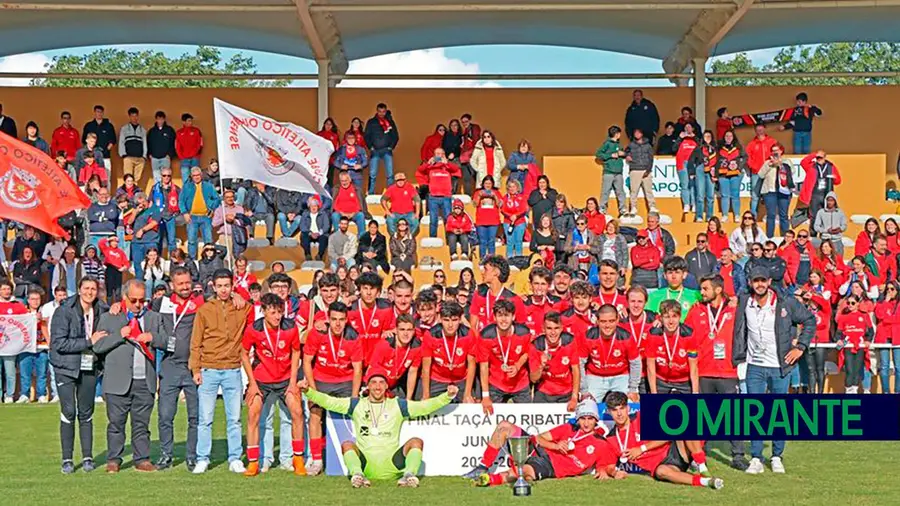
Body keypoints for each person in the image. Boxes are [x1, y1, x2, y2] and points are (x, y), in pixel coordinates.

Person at [301, 367, 454, 488]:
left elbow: (425, 407)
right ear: (368, 386)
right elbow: (329, 402)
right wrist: (308, 391)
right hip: (365, 464)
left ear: (387, 386)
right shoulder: (356, 404)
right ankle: (358, 476)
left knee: (416, 442)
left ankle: (408, 476)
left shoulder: (398, 405)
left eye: (381, 383)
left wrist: (447, 396)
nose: (377, 387)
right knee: (347, 444)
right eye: (373, 382)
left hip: (392, 464)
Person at [733, 267, 815, 474]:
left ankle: (777, 455)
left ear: (769, 281)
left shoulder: (785, 302)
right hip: (754, 366)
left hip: (780, 365)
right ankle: (756, 458)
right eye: (755, 281)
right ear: (750, 282)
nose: (759, 284)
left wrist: (801, 347)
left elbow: (809, 320)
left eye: (763, 280)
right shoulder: (744, 301)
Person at [92, 279, 163, 473]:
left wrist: (153, 338)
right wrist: (119, 335)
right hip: (117, 381)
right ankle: (114, 459)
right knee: (116, 423)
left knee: (142, 424)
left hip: (144, 381)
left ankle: (142, 459)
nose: (139, 304)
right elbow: (97, 346)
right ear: (124, 298)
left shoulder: (154, 318)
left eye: (142, 300)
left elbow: (166, 339)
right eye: (134, 300)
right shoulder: (109, 317)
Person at [190, 269, 251, 474]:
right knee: (205, 419)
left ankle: (235, 457)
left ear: (232, 286)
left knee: (234, 418)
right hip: (208, 369)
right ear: (213, 287)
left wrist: (240, 295)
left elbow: (257, 308)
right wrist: (195, 368)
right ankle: (203, 458)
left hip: (232, 369)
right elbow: (196, 342)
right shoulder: (204, 310)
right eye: (220, 286)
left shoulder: (241, 307)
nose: (224, 289)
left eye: (228, 285)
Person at [598, 391, 724, 489]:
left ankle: (701, 466)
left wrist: (641, 449)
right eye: (615, 410)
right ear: (608, 412)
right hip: (662, 465)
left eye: (622, 408)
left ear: (628, 408)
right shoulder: (611, 438)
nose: (619, 414)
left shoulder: (640, 417)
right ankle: (706, 482)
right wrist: (614, 473)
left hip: (675, 449)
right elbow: (609, 465)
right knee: (661, 472)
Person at [240, 293, 307, 477]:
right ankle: (253, 461)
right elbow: (244, 354)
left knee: (297, 412)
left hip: (285, 379)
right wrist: (252, 383)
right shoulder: (254, 329)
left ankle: (298, 459)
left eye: (280, 312)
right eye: (273, 312)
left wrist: (293, 382)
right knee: (253, 414)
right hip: (261, 379)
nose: (277, 316)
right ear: (263, 311)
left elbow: (296, 352)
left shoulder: (290, 327)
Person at [469, 399, 611, 486]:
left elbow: (604, 465)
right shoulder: (568, 428)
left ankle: (488, 480)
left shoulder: (601, 443)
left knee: (524, 472)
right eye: (583, 418)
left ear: (596, 420)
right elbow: (538, 438)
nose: (586, 423)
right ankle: (482, 467)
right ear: (578, 419)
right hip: (540, 450)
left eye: (590, 419)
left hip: (551, 466)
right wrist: (556, 445)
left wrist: (606, 472)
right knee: (504, 426)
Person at [686, 274, 747, 470]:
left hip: (728, 371)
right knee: (702, 416)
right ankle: (698, 456)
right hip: (703, 371)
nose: (701, 293)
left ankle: (737, 456)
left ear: (718, 289)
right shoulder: (696, 311)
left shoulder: (735, 308)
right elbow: (684, 334)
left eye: (705, 289)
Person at [50, 277, 109, 474]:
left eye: (93, 288)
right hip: (65, 368)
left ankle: (87, 457)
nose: (90, 292)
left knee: (86, 412)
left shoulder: (101, 309)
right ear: (79, 289)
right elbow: (59, 344)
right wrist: (88, 341)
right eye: (86, 288)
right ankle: (67, 459)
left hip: (89, 366)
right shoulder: (64, 310)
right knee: (68, 411)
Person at [148, 267, 204, 471]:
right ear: (172, 285)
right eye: (180, 284)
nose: (185, 287)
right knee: (165, 415)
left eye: (187, 282)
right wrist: (118, 305)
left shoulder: (200, 302)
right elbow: (140, 315)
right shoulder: (161, 303)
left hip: (193, 366)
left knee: (195, 416)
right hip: (169, 365)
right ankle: (166, 454)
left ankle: (192, 455)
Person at [302, 301, 364, 476]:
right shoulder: (317, 334)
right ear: (328, 319)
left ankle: (352, 457)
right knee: (314, 414)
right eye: (334, 319)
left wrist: (353, 397)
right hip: (321, 380)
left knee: (351, 417)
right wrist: (313, 392)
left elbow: (358, 369)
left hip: (345, 381)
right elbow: (306, 362)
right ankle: (316, 460)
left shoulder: (353, 337)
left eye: (342, 320)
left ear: (346, 320)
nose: (338, 324)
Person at [476, 299, 532, 410]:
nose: (503, 320)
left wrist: (517, 366)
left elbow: (527, 353)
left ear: (513, 317)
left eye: (507, 315)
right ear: (494, 317)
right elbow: (484, 366)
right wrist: (485, 395)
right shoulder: (486, 336)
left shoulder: (524, 333)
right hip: (496, 383)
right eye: (500, 315)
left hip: (520, 382)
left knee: (526, 420)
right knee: (493, 421)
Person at [580, 304, 641, 402]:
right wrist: (583, 390)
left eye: (611, 321)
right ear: (597, 321)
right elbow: (580, 364)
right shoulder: (588, 336)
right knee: (586, 404)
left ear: (617, 320)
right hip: (595, 376)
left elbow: (636, 364)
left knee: (631, 403)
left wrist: (633, 389)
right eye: (603, 321)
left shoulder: (626, 337)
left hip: (621, 376)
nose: (607, 325)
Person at [419, 301, 477, 401]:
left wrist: (467, 394)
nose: (450, 325)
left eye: (454, 320)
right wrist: (426, 395)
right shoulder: (431, 335)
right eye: (446, 320)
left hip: (461, 379)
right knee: (425, 405)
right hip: (437, 379)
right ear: (440, 319)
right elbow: (426, 368)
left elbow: (471, 364)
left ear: (460, 319)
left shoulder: (468, 334)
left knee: (471, 403)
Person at [645, 300, 698, 394]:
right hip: (661, 380)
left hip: (684, 381)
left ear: (680, 317)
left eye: (674, 316)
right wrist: (654, 393)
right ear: (661, 318)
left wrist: (695, 394)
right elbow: (650, 367)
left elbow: (693, 368)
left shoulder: (689, 334)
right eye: (666, 317)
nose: (671, 321)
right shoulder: (653, 334)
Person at [529, 311, 579, 407]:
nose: (553, 332)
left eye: (556, 328)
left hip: (566, 392)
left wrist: (574, 396)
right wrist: (541, 366)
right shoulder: (536, 345)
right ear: (543, 329)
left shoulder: (569, 341)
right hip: (543, 393)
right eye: (549, 328)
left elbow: (575, 370)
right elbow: (533, 379)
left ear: (562, 328)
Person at [416, 147, 459, 238]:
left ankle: (450, 239)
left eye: (441, 154)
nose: (439, 156)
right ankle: (433, 239)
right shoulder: (430, 166)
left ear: (444, 155)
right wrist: (428, 163)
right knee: (433, 221)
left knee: (448, 220)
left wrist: (447, 163)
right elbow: (420, 171)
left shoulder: (448, 166)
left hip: (446, 196)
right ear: (434, 155)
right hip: (433, 197)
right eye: (437, 154)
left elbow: (457, 170)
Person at [179, 166, 221, 259]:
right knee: (191, 241)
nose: (196, 177)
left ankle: (209, 261)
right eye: (194, 175)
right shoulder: (186, 187)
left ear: (201, 175)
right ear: (191, 176)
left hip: (205, 217)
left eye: (198, 175)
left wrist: (212, 208)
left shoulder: (208, 186)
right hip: (191, 217)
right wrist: (185, 213)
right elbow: (181, 201)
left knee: (208, 241)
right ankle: (192, 261)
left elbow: (217, 199)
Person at [835, 294, 873, 394]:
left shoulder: (864, 315)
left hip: (860, 346)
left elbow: (871, 331)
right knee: (849, 370)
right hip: (848, 346)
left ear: (858, 304)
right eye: (848, 303)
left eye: (853, 303)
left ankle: (855, 390)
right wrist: (838, 339)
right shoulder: (843, 317)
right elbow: (838, 333)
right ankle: (848, 390)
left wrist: (868, 340)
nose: (850, 305)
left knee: (857, 370)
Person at [758, 143, 794, 237]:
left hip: (784, 191)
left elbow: (792, 171)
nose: (774, 152)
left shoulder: (787, 161)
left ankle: (785, 237)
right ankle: (770, 237)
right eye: (773, 150)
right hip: (770, 191)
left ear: (781, 151)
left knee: (784, 215)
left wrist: (780, 164)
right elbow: (760, 175)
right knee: (771, 215)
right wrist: (770, 165)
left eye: (776, 150)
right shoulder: (767, 162)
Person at [798, 150, 841, 226]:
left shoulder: (831, 166)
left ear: (824, 157)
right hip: (814, 195)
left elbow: (838, 181)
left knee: (826, 216)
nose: (818, 159)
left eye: (820, 157)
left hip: (826, 194)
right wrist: (814, 154)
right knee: (814, 216)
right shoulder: (811, 166)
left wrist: (833, 178)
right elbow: (803, 162)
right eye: (817, 158)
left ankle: (824, 236)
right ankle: (813, 235)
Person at [364, 103, 399, 194]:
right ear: (377, 111)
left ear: (386, 111)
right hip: (375, 150)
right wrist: (370, 147)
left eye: (383, 111)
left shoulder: (390, 122)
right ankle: (371, 193)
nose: (381, 113)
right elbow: (366, 135)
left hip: (387, 151)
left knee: (390, 174)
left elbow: (395, 136)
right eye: (380, 111)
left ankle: (390, 193)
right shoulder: (371, 122)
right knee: (372, 174)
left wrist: (391, 147)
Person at [745, 125, 778, 218]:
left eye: (761, 129)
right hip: (756, 173)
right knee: (755, 195)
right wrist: (754, 167)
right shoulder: (751, 144)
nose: (760, 131)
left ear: (765, 129)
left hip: (769, 172)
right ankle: (752, 216)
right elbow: (748, 158)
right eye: (757, 129)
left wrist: (773, 165)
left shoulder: (772, 141)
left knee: (770, 195)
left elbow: (777, 153)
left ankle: (769, 215)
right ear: (755, 130)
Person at [149, 167, 181, 257]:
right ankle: (157, 259)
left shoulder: (176, 188)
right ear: (161, 176)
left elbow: (181, 202)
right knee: (157, 240)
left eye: (168, 175)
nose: (166, 177)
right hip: (158, 218)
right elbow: (150, 202)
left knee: (172, 241)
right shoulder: (155, 188)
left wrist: (177, 213)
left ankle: (173, 261)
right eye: (164, 175)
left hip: (171, 217)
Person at [332, 131, 369, 210]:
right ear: (346, 139)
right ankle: (342, 210)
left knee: (359, 194)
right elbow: (335, 161)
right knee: (343, 194)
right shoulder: (342, 149)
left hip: (356, 175)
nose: (351, 140)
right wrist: (341, 166)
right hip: (345, 175)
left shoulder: (360, 149)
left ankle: (361, 211)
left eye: (352, 138)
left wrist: (360, 166)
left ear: (355, 139)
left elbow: (365, 162)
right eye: (349, 138)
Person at [715, 130, 746, 222]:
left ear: (733, 137)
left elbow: (745, 157)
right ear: (724, 137)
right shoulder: (719, 148)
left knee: (735, 195)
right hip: (723, 174)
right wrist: (716, 173)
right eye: (726, 136)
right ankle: (725, 215)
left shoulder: (738, 147)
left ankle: (736, 215)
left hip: (735, 174)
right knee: (725, 195)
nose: (728, 138)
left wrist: (739, 167)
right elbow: (715, 160)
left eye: (730, 136)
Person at [625, 128, 657, 214]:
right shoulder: (631, 144)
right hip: (635, 169)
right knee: (634, 191)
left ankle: (652, 207)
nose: (637, 134)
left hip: (646, 170)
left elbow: (651, 158)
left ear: (642, 134)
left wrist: (648, 170)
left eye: (638, 133)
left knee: (648, 190)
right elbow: (626, 151)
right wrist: (627, 155)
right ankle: (633, 208)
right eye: (635, 133)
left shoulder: (648, 145)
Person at [595, 126, 627, 215]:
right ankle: (602, 209)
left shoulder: (619, 144)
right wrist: (610, 155)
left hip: (618, 172)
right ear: (616, 134)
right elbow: (598, 154)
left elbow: (624, 153)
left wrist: (623, 153)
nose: (620, 135)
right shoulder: (607, 144)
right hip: (609, 172)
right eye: (619, 133)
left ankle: (623, 209)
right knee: (605, 191)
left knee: (620, 191)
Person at [130, 192, 161, 279]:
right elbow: (129, 222)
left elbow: (155, 222)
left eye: (143, 202)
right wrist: (135, 212)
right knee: (137, 265)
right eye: (139, 203)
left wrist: (143, 230)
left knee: (152, 264)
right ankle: (139, 284)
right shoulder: (136, 209)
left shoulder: (154, 208)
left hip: (151, 241)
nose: (141, 204)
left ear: (146, 200)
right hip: (137, 242)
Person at [82, 105, 116, 179]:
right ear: (94, 113)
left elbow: (113, 140)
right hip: (91, 158)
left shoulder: (109, 126)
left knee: (106, 178)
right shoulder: (89, 126)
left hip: (105, 157)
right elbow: (84, 140)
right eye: (97, 112)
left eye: (101, 112)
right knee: (91, 178)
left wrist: (107, 149)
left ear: (103, 113)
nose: (99, 113)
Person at [381, 172, 420, 236]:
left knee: (415, 223)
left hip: (409, 213)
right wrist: (387, 211)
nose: (400, 181)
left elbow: (417, 200)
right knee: (389, 221)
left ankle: (408, 237)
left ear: (405, 180)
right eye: (398, 180)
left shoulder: (410, 187)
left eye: (402, 180)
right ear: (395, 181)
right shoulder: (391, 188)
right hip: (395, 213)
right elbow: (383, 200)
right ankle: (395, 237)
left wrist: (417, 213)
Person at [692, 130, 717, 222]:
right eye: (705, 136)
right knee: (700, 195)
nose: (707, 138)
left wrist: (716, 174)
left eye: (709, 136)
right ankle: (699, 216)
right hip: (701, 170)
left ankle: (709, 216)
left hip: (712, 172)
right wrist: (692, 172)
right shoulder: (698, 148)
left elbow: (719, 162)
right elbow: (691, 160)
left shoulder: (715, 148)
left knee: (710, 196)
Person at [331, 171, 367, 236]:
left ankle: (362, 238)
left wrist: (353, 213)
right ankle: (338, 236)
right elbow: (334, 205)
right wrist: (342, 213)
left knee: (361, 215)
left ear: (350, 180)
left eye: (346, 180)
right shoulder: (336, 189)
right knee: (335, 215)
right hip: (341, 214)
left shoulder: (357, 189)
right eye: (342, 181)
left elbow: (359, 204)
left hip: (354, 214)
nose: (344, 183)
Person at [674, 123, 699, 214]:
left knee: (693, 184)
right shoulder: (681, 139)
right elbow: (673, 149)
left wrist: (695, 137)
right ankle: (686, 204)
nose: (688, 129)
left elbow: (701, 147)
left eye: (689, 127)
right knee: (685, 185)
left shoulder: (696, 139)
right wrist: (680, 138)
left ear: (693, 129)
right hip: (682, 163)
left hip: (693, 164)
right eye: (686, 127)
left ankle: (694, 204)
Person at [146, 111, 176, 184]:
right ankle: (158, 193)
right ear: (156, 119)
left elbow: (174, 143)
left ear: (164, 119)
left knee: (166, 177)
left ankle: (166, 193)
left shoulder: (169, 130)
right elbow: (148, 143)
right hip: (154, 158)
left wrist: (170, 154)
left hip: (165, 158)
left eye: (162, 119)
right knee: (156, 177)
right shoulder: (152, 131)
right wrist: (149, 154)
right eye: (158, 119)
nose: (160, 121)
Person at [118, 107, 148, 182]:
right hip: (128, 157)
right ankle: (128, 194)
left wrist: (144, 156)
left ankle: (135, 193)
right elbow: (121, 142)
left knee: (137, 179)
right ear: (129, 116)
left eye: (135, 115)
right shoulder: (124, 129)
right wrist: (123, 154)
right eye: (132, 116)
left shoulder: (142, 130)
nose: (134, 118)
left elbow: (145, 143)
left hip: (139, 158)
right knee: (128, 178)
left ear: (138, 116)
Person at [814, 192, 847, 257]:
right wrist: (826, 230)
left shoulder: (840, 212)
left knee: (838, 259)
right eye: (828, 200)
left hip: (837, 240)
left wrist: (840, 229)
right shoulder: (821, 212)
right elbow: (816, 226)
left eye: (832, 200)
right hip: (825, 240)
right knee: (824, 260)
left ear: (835, 201)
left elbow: (844, 225)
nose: (829, 202)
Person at [501, 179, 528, 258]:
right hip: (508, 222)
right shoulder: (505, 198)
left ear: (517, 188)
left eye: (514, 186)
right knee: (510, 241)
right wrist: (510, 216)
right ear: (508, 188)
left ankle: (519, 258)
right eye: (510, 187)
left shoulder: (522, 197)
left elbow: (524, 209)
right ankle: (509, 258)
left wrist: (516, 215)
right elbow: (502, 209)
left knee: (518, 241)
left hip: (520, 222)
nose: (512, 188)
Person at [299, 196, 330, 261]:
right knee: (304, 236)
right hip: (309, 233)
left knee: (324, 238)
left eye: (315, 206)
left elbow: (326, 226)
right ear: (309, 207)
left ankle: (319, 255)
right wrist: (310, 233)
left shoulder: (323, 214)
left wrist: (319, 233)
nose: (313, 207)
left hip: (320, 233)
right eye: (312, 206)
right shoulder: (305, 214)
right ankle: (307, 254)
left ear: (318, 207)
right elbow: (302, 226)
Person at [175, 113, 203, 182]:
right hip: (184, 159)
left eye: (191, 121)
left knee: (196, 178)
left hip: (195, 158)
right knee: (185, 179)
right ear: (183, 122)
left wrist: (195, 154)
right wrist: (181, 157)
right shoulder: (179, 132)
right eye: (189, 120)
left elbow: (200, 144)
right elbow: (177, 146)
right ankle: (187, 192)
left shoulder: (196, 131)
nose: (190, 122)